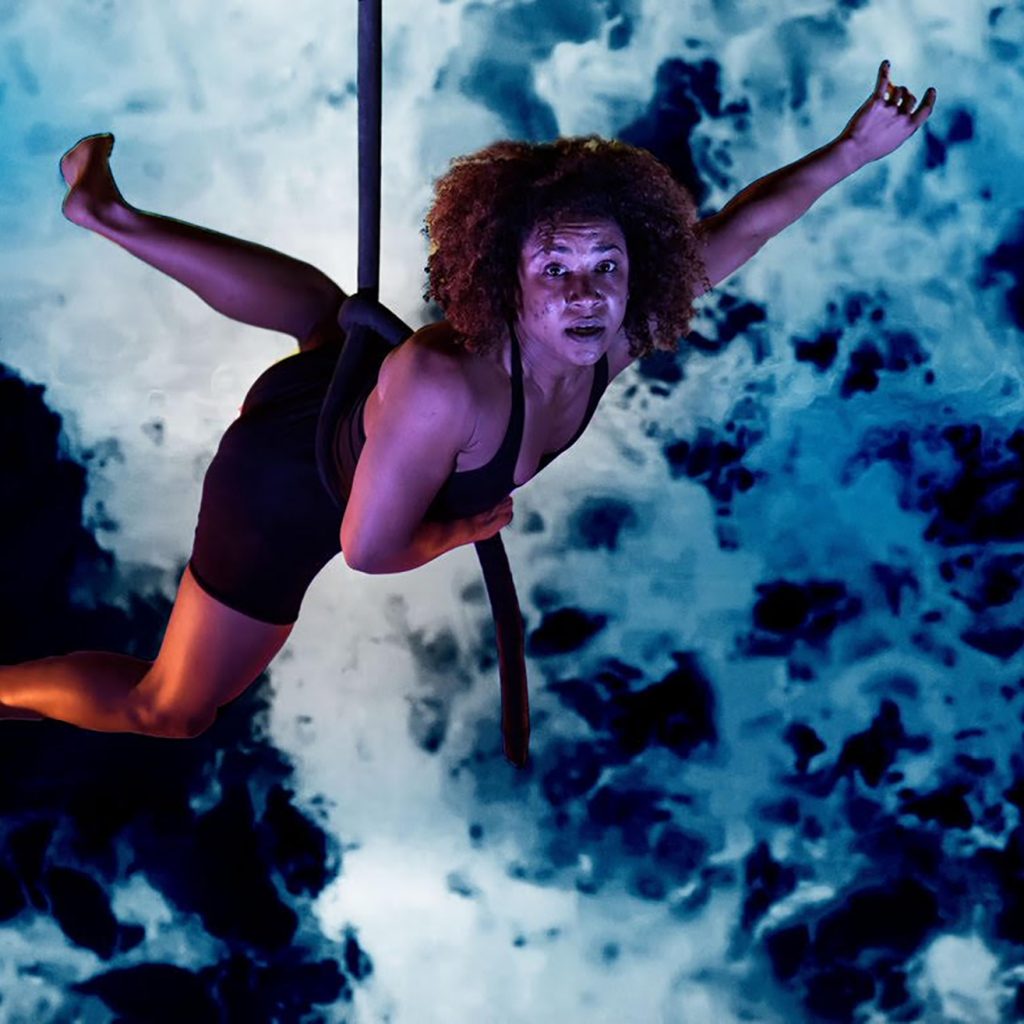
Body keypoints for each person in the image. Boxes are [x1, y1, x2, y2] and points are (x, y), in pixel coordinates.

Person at [0, 61, 935, 737]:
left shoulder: (616, 324)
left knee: (335, 316)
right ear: (506, 277)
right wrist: (464, 525)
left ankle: (109, 215)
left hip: (361, 386)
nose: (584, 291)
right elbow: (368, 548)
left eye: (606, 265)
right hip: (289, 495)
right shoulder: (447, 382)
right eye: (555, 267)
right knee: (172, 710)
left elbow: (740, 228)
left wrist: (852, 151)